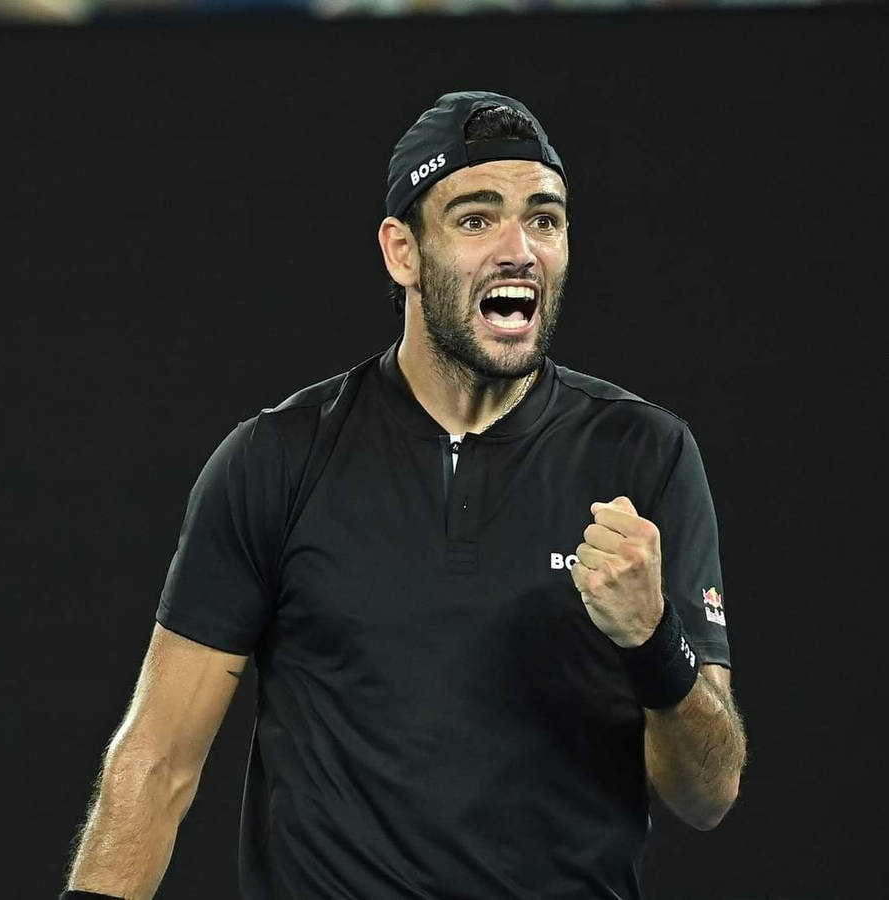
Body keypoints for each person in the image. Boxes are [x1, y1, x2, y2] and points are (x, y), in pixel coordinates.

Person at [61, 90, 747, 900]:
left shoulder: (646, 454)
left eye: (545, 218)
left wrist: (652, 640)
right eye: (475, 218)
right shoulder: (277, 459)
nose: (519, 249)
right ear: (402, 252)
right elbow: (155, 764)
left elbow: (708, 794)